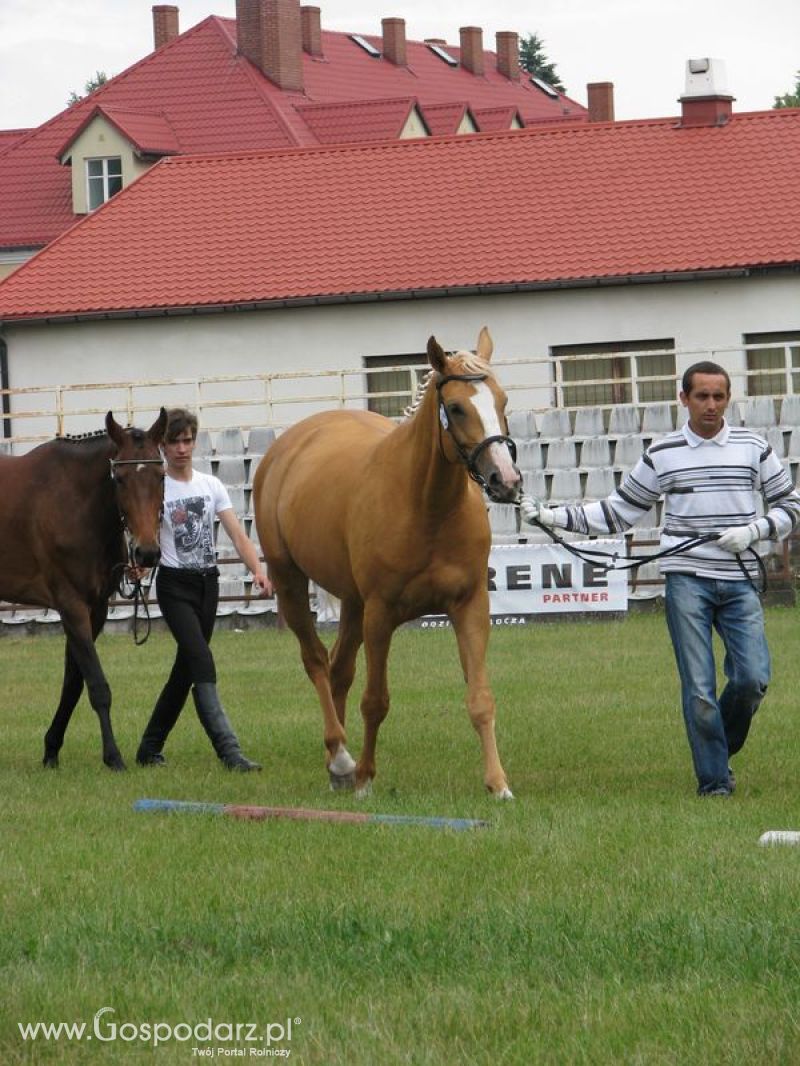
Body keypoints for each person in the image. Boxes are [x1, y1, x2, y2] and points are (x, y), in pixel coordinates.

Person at [520, 362, 800, 796]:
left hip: (740, 577)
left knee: (752, 679)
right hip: (686, 579)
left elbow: (791, 505)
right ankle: (714, 784)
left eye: (719, 396)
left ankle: (718, 749)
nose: (711, 404)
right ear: (683, 398)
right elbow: (618, 512)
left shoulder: (754, 447)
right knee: (700, 690)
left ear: (729, 399)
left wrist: (755, 529)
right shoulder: (662, 453)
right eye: (702, 396)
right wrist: (553, 516)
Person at [136, 408, 272, 771]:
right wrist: (135, 563)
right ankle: (230, 752)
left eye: (187, 440)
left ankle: (149, 748)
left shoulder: (210, 485)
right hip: (173, 586)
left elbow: (237, 534)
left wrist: (258, 570)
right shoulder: (157, 485)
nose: (182, 448)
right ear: (162, 446)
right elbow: (140, 531)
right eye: (174, 441)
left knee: (184, 672)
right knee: (201, 661)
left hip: (207, 585)